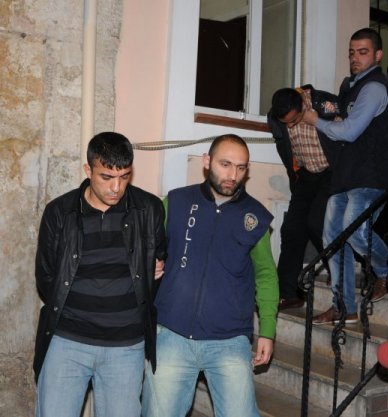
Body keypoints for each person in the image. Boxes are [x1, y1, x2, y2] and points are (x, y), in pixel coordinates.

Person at [142, 134, 279, 417]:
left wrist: (267, 330)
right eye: (225, 164)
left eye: (241, 167)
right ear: (207, 162)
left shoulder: (255, 217)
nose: (232, 175)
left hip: (229, 340)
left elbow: (266, 275)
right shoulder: (176, 201)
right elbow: (148, 247)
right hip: (171, 333)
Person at [33, 132, 166, 417]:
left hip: (126, 347)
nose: (116, 187)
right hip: (67, 342)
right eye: (106, 177)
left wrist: (155, 268)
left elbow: (158, 259)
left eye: (124, 176)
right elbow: (45, 276)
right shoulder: (60, 212)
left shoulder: (149, 209)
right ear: (88, 170)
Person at [302, 27, 388, 325]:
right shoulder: (351, 85)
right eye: (351, 52)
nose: (355, 58)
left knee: (355, 230)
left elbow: (349, 131)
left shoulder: (375, 87)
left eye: (363, 52)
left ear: (378, 55)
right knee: (333, 239)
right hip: (347, 173)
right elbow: (346, 124)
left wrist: (315, 120)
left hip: (372, 175)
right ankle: (344, 306)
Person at [267, 86, 339, 310]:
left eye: (294, 120)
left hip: (331, 172)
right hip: (305, 176)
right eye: (285, 123)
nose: (290, 126)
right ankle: (289, 293)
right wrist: (294, 174)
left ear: (302, 106)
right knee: (291, 229)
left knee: (317, 223)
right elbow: (283, 146)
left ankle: (337, 269)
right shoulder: (275, 117)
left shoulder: (324, 104)